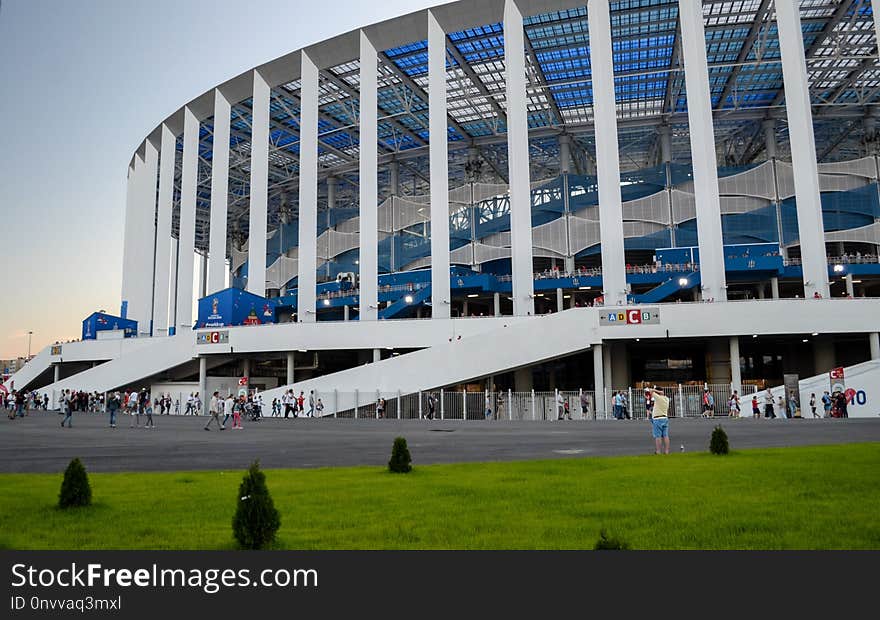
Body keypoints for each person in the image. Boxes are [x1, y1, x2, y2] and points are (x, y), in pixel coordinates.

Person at [647, 387, 670, 454]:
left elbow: (650, 391)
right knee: (665, 435)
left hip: (657, 419)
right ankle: (666, 451)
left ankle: (658, 451)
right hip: (665, 418)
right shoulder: (667, 399)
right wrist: (660, 392)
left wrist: (655, 390)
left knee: (658, 436)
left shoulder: (658, 398)